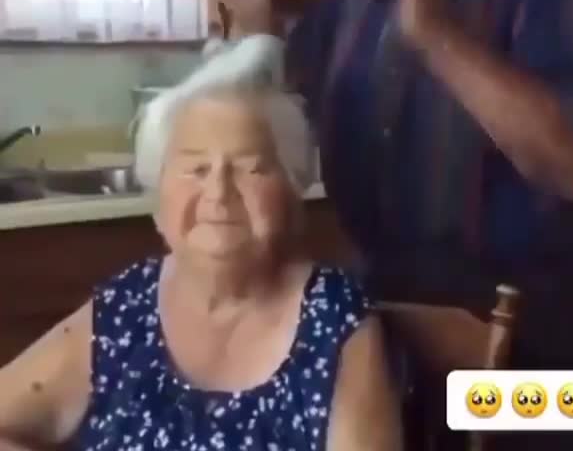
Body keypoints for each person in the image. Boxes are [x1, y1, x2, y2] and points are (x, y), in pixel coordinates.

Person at [208, 0, 573, 448]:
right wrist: (251, 25)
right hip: (389, 337)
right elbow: (279, 118)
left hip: (540, 360)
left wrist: (430, 27)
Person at [0, 36, 403, 451]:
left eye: (249, 168)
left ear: (291, 192)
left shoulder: (334, 320)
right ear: (159, 199)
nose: (218, 191)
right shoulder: (125, 310)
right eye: (195, 168)